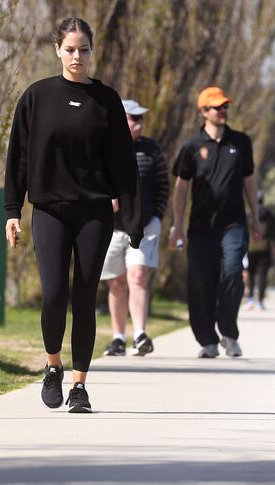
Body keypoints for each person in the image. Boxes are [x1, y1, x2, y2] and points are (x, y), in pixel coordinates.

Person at [4, 18, 141, 413]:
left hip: (94, 212)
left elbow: (122, 164)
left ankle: (79, 385)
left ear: (91, 51)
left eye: (83, 49)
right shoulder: (37, 96)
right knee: (54, 294)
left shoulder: (106, 101)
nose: (76, 56)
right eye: (70, 49)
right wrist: (13, 209)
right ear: (57, 50)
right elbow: (19, 156)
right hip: (49, 209)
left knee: (84, 296)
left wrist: (133, 220)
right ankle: (53, 366)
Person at [170, 86, 262, 358]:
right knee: (200, 282)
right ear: (203, 112)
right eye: (216, 107)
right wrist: (176, 224)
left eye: (225, 107)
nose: (222, 111)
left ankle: (229, 333)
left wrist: (255, 218)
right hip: (200, 227)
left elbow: (249, 181)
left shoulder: (241, 142)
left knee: (234, 272)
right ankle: (208, 341)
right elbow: (181, 188)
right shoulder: (191, 147)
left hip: (233, 225)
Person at [101, 99, 169, 357]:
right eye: (133, 118)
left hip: (145, 226)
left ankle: (140, 334)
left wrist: (157, 216)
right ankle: (118, 338)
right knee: (117, 282)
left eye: (140, 118)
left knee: (137, 276)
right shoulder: (105, 148)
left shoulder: (151, 150)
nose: (138, 123)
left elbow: (163, 185)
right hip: (113, 228)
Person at [244, 191, 275, 310]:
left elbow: (242, 230)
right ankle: (260, 302)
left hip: (250, 248)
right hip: (264, 248)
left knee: (251, 274)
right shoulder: (269, 214)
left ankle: (250, 299)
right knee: (262, 275)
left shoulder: (248, 214)